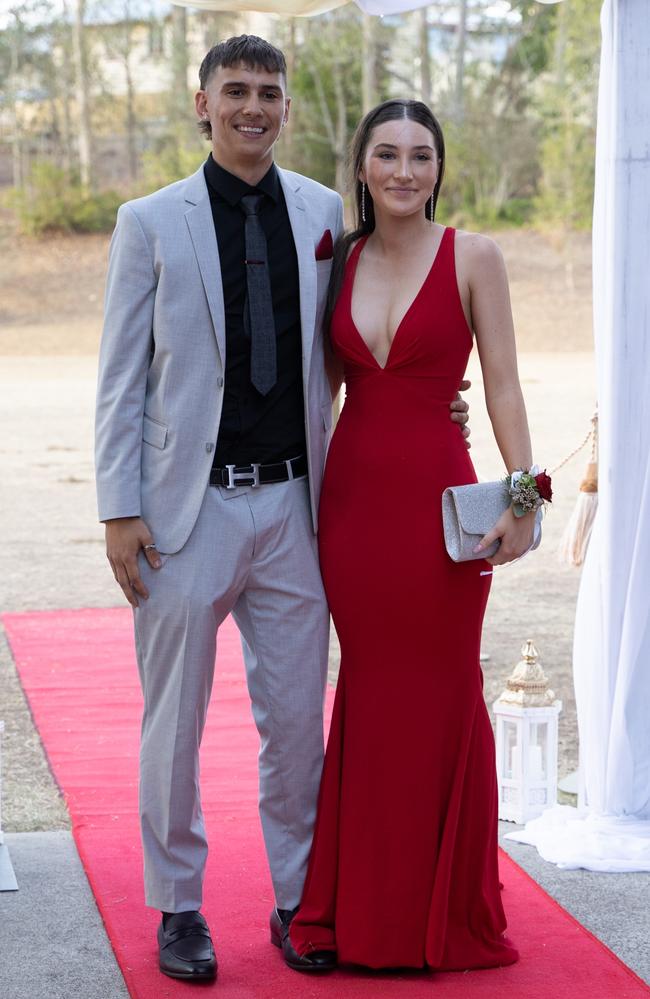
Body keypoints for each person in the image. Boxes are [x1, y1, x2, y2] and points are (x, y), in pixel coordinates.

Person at [95, 39, 470, 983]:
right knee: (172, 720)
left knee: (298, 723)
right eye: (235, 93)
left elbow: (351, 343)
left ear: (289, 110)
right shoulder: (148, 222)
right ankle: (179, 906)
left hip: (299, 508)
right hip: (186, 514)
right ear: (203, 105)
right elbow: (119, 381)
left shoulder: (319, 214)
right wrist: (117, 509)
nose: (252, 107)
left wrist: (429, 400)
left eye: (269, 93)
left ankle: (300, 899)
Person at [288, 99, 543, 973]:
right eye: (387, 154)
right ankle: (361, 911)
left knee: (440, 692)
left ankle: (446, 910)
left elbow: (502, 383)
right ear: (360, 167)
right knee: (372, 691)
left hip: (444, 511)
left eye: (421, 156)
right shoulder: (338, 259)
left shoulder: (475, 255)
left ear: (440, 168)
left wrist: (523, 492)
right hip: (355, 508)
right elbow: (315, 391)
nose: (404, 171)